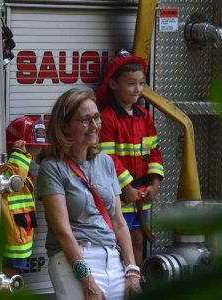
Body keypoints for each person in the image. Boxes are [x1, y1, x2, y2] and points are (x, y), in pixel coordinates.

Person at [36, 88, 141, 300]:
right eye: (85, 120)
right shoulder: (52, 167)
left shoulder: (106, 162)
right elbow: (63, 231)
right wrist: (88, 281)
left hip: (112, 258)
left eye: (96, 117)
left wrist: (132, 270)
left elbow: (119, 222)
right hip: (75, 260)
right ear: (65, 127)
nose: (94, 126)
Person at [96, 49, 164, 267]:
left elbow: (154, 151)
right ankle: (122, 282)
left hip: (140, 195)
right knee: (119, 241)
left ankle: (136, 282)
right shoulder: (107, 118)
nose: (138, 89)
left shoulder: (145, 117)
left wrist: (154, 183)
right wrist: (126, 186)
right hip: (119, 195)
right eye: (131, 83)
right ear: (113, 85)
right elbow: (108, 158)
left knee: (138, 239)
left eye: (141, 83)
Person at [0, 138, 37, 277]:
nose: (42, 149)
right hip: (13, 240)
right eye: (39, 146)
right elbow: (8, 180)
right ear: (26, 146)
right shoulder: (16, 167)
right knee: (8, 283)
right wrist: (20, 156)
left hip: (19, 236)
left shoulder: (23, 168)